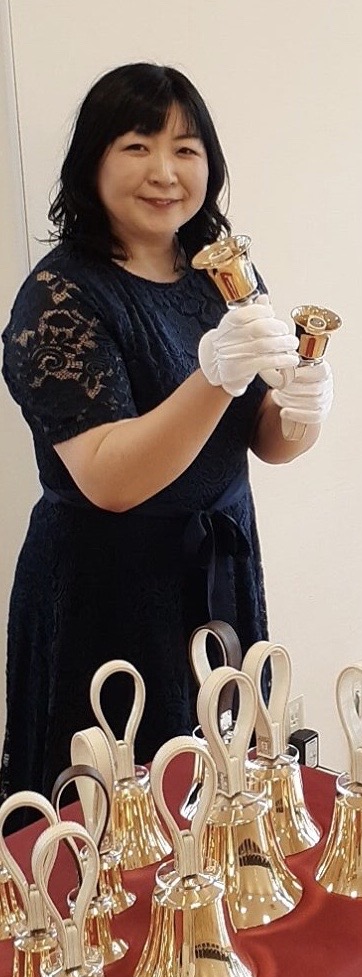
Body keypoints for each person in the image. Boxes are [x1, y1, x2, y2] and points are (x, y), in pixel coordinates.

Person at [0, 63, 334, 806]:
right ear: (93, 161)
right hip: (107, 587)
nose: (165, 171)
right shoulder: (61, 296)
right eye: (137, 146)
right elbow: (111, 479)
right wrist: (214, 376)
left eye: (186, 149)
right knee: (112, 809)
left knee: (223, 785)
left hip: (218, 568)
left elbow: (266, 441)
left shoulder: (219, 271)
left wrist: (303, 407)